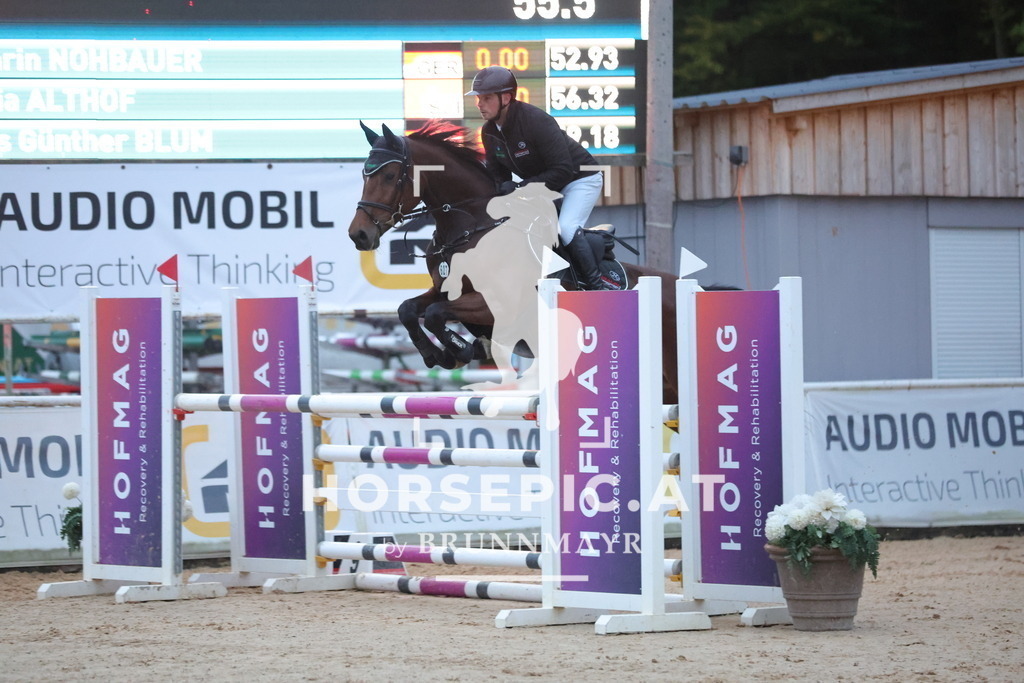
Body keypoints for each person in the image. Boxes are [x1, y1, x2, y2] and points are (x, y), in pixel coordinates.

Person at [466, 65, 614, 291]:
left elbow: (562, 170)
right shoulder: (489, 132)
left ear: (506, 98)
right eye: (478, 98)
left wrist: (521, 188)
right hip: (546, 186)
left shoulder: (536, 120)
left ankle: (596, 287)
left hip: (579, 179)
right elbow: (498, 175)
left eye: (486, 98)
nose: (479, 104)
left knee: (566, 228)